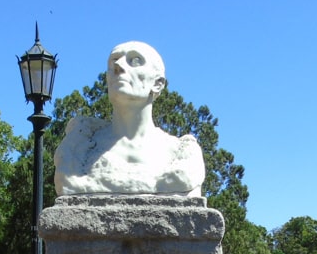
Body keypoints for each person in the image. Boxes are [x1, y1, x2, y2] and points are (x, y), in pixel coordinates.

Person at [54, 41, 205, 197]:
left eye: (135, 61)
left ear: (158, 83)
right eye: (114, 60)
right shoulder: (79, 149)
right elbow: (67, 185)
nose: (118, 65)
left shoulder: (182, 154)